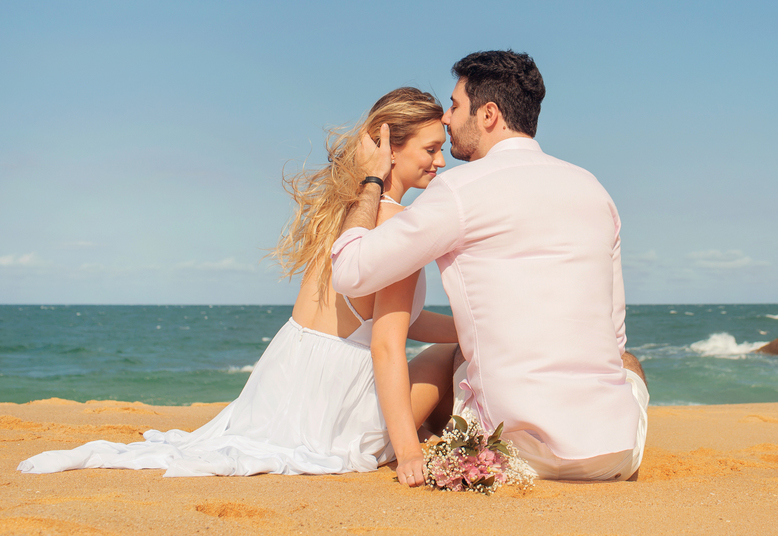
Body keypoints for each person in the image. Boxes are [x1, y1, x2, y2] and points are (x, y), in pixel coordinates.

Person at [18, 88, 458, 480]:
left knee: (456, 341)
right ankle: (419, 434)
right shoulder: (400, 226)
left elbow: (387, 317)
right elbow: (385, 343)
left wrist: (470, 326)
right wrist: (407, 453)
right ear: (391, 150)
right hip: (334, 403)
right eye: (431, 149)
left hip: (282, 384)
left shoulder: (344, 210)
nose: (441, 161)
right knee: (445, 357)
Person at [331, 51, 649, 482]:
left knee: (457, 357)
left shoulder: (457, 190)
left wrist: (371, 181)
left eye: (455, 105)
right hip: (612, 454)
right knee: (627, 362)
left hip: (509, 454)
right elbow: (614, 334)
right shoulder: (595, 190)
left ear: (488, 114)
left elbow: (350, 270)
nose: (446, 117)